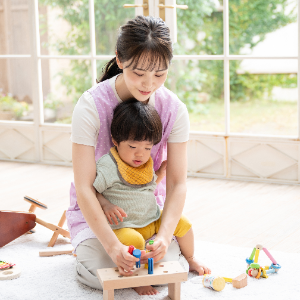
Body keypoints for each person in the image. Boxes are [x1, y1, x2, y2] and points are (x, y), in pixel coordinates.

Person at [66, 15, 210, 295]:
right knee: (107, 271)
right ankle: (86, 253)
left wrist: (165, 238)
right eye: (139, 73)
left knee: (158, 275)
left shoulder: (174, 109)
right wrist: (112, 246)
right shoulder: (90, 106)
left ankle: (161, 250)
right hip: (99, 211)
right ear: (119, 59)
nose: (148, 84)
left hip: (146, 212)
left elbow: (178, 183)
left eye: (159, 74)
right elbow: (84, 187)